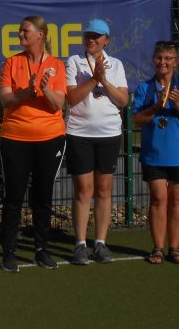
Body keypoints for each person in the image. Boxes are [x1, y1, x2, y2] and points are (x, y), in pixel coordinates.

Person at [0, 15, 67, 272]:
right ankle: (9, 252)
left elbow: (58, 103)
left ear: (41, 34)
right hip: (15, 137)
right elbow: (5, 100)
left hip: (50, 138)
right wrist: (27, 91)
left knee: (43, 196)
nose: (20, 34)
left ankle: (41, 249)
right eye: (19, 31)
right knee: (13, 196)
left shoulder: (57, 66)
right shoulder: (12, 62)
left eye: (25, 31)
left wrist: (45, 89)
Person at [65, 19, 129, 265]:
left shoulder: (117, 64)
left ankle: (100, 243)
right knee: (83, 189)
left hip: (109, 134)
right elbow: (71, 98)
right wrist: (93, 79)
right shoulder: (73, 62)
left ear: (106, 40)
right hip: (79, 133)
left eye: (97, 36)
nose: (91, 40)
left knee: (104, 191)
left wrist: (104, 80)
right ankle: (80, 244)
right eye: (88, 36)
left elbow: (122, 100)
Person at [131, 40, 179, 265]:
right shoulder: (144, 88)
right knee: (159, 199)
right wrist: (156, 107)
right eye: (159, 58)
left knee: (178, 200)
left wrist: (177, 103)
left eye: (168, 58)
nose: (163, 62)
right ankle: (158, 248)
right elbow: (136, 121)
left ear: (175, 62)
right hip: (154, 154)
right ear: (154, 60)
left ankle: (175, 248)